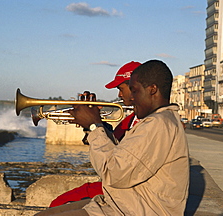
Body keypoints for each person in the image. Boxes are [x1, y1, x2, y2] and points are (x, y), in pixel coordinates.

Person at [37, 60, 189, 215]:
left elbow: (114, 174)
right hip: (124, 203)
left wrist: (94, 126)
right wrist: (94, 127)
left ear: (152, 90)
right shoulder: (158, 120)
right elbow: (122, 157)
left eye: (134, 91)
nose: (131, 98)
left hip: (135, 210)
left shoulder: (157, 124)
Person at [48, 61, 141, 208]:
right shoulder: (131, 119)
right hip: (117, 185)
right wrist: (93, 123)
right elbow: (114, 145)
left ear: (135, 87)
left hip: (126, 191)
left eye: (121, 88)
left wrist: (94, 125)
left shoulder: (145, 122)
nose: (119, 94)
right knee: (58, 204)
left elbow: (116, 167)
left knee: (58, 205)